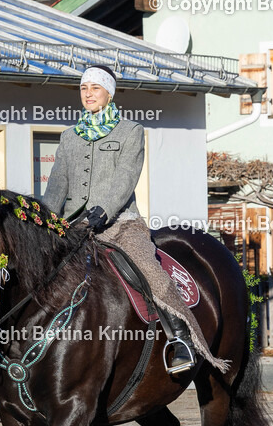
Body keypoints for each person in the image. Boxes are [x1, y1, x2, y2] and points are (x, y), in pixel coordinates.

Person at [42, 65, 228, 375]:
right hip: (73, 227)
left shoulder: (130, 131)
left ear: (109, 93)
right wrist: (45, 218)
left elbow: (126, 177)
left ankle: (180, 338)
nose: (88, 93)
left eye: (95, 88)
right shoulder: (69, 137)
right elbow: (57, 184)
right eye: (84, 88)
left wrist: (103, 210)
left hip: (119, 223)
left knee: (149, 270)